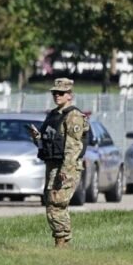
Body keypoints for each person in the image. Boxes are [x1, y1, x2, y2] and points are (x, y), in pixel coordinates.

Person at [27, 78, 90, 248]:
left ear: (69, 95)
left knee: (56, 203)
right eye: (54, 93)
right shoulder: (54, 115)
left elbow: (73, 146)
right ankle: (61, 240)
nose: (57, 96)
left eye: (61, 93)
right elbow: (48, 141)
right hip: (52, 164)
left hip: (66, 166)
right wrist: (37, 137)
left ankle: (62, 242)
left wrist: (66, 169)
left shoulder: (73, 116)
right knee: (51, 201)